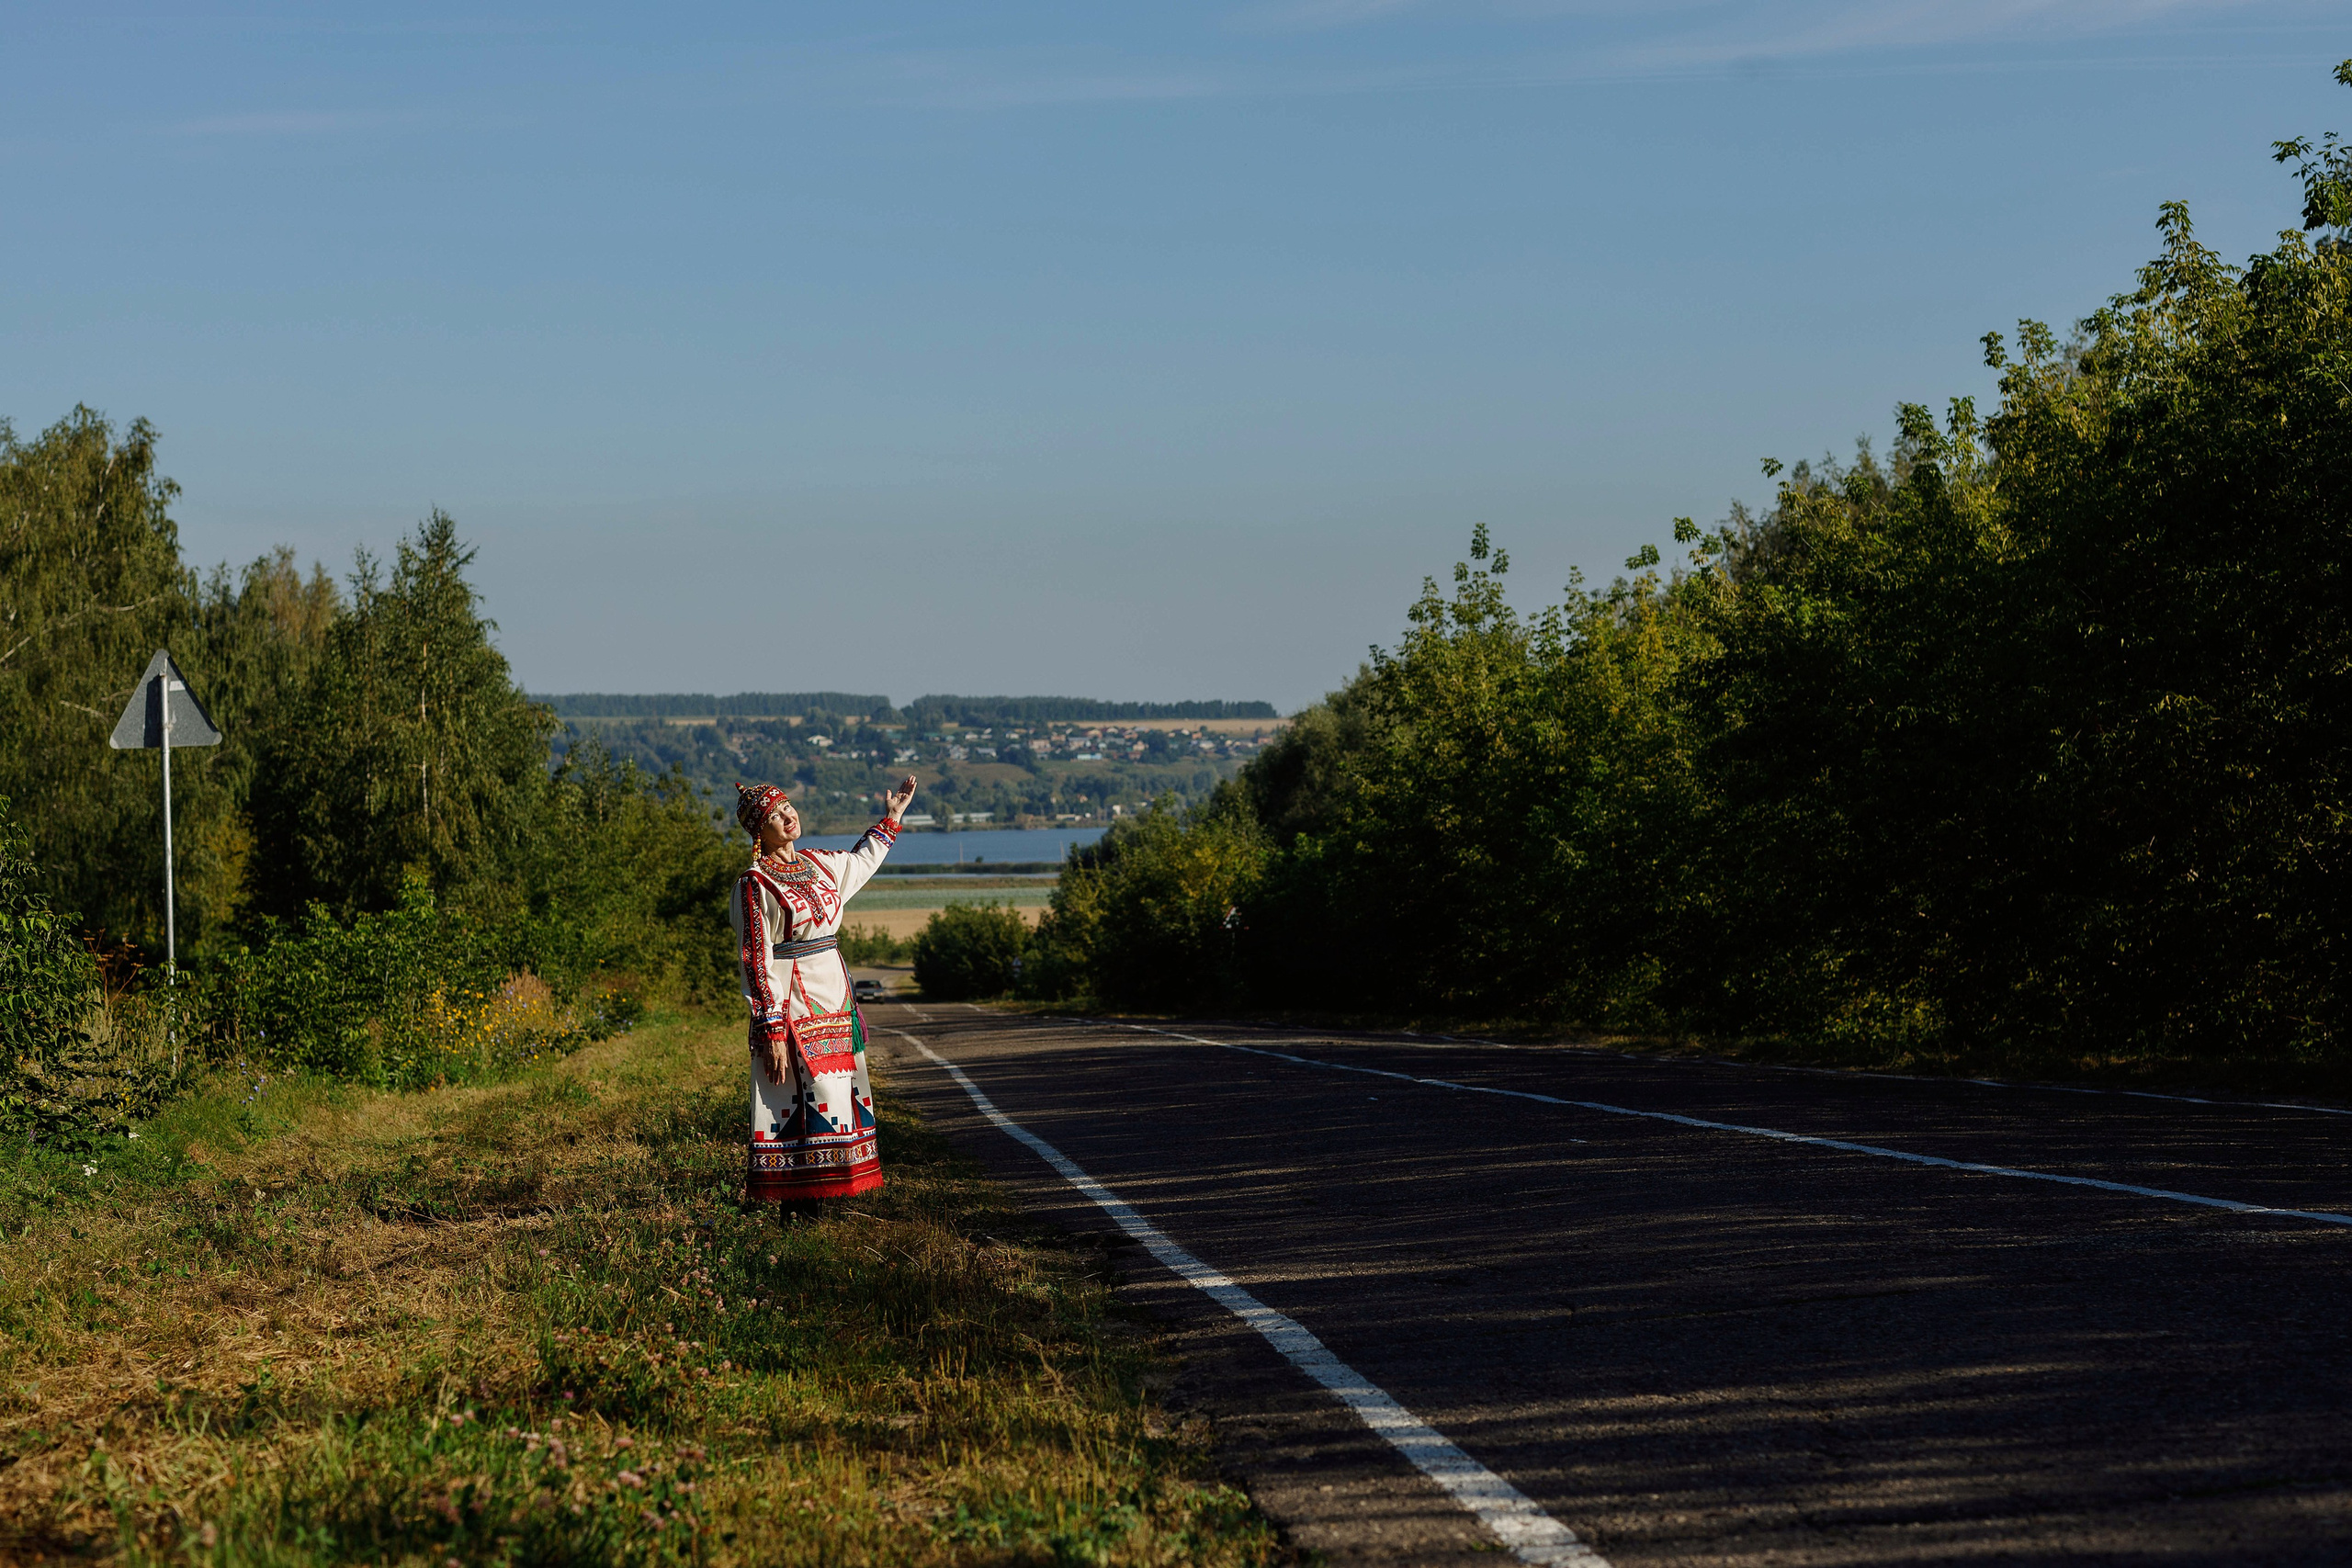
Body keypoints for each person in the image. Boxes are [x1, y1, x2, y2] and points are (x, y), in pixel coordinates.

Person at [729, 774, 917, 1203]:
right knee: (799, 1098)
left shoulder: (819, 864)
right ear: (759, 830)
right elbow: (757, 960)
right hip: (793, 1002)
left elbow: (860, 863)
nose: (787, 816)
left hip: (835, 994)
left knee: (840, 1095)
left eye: (787, 806)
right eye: (774, 815)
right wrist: (771, 1029)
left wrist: (891, 820)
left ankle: (831, 1202)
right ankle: (799, 1209)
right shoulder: (754, 884)